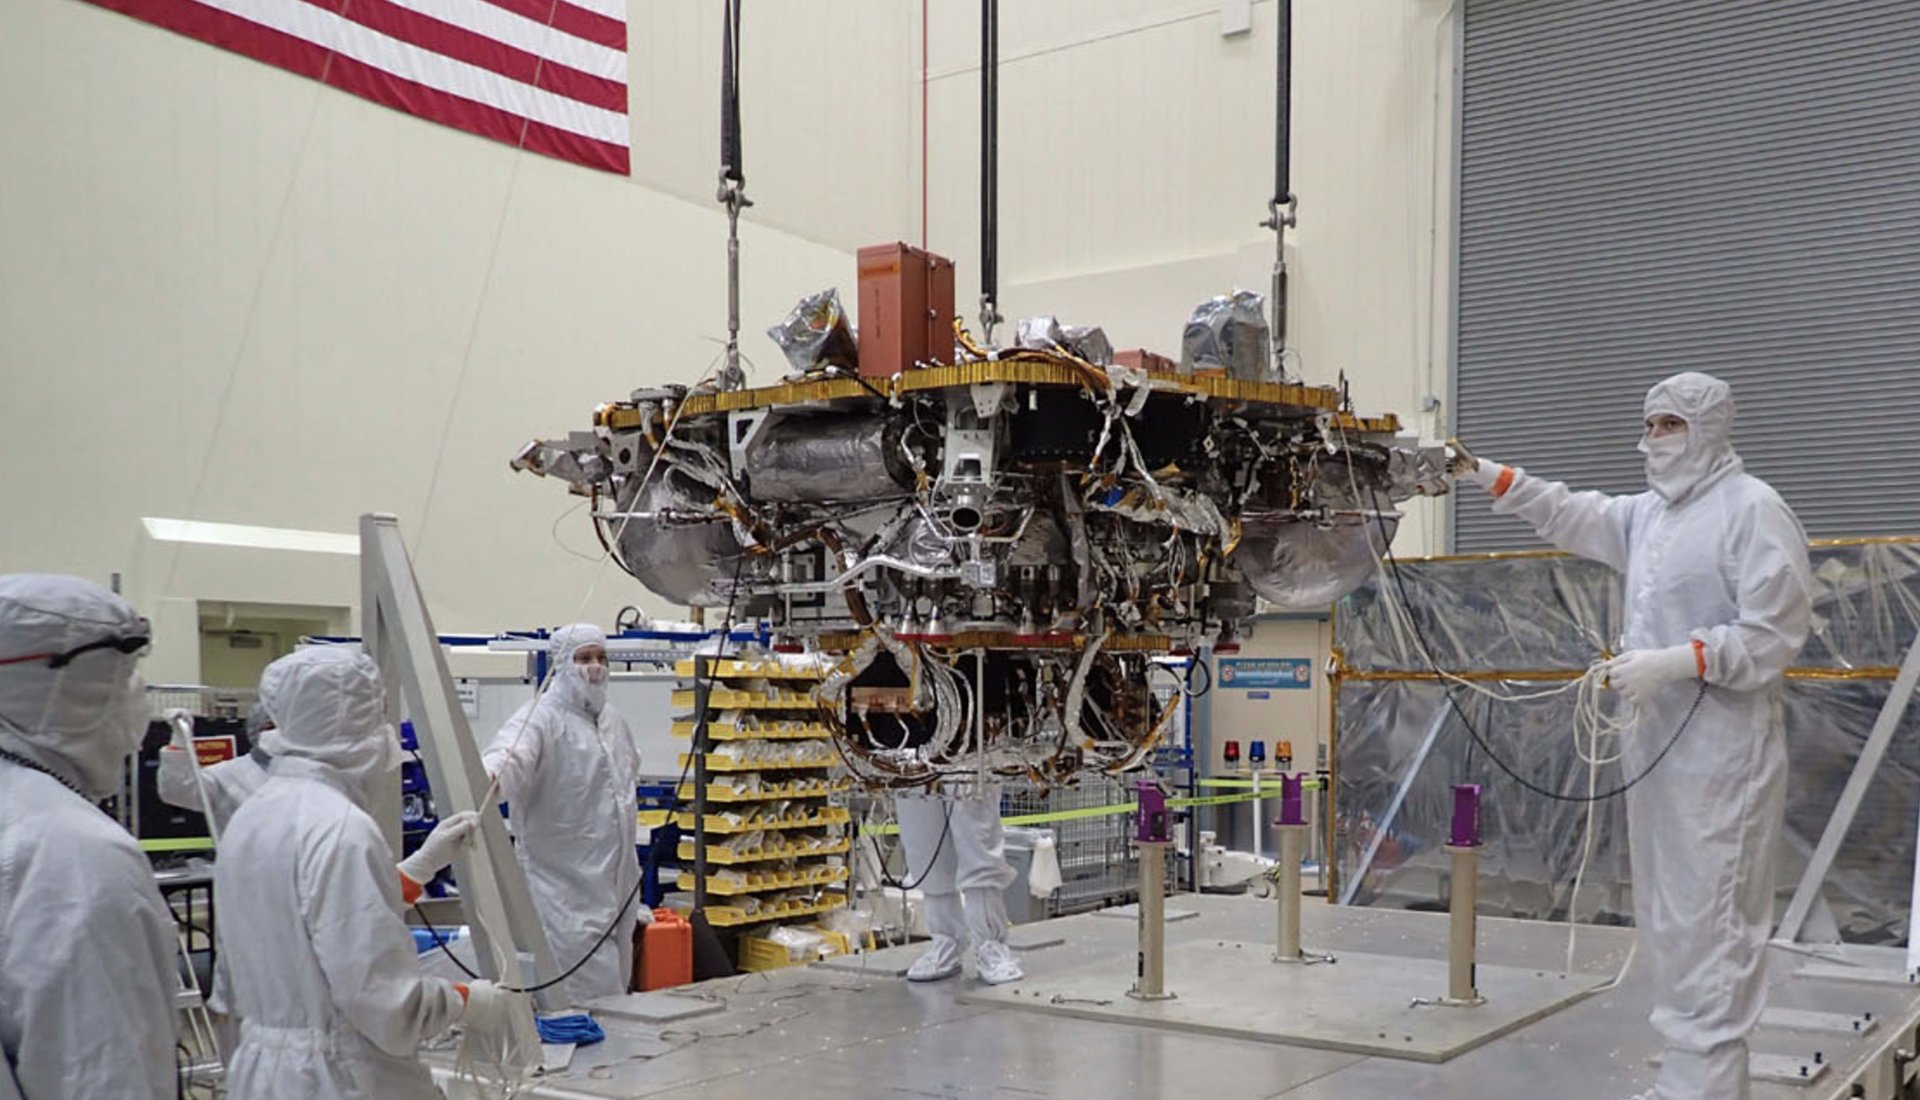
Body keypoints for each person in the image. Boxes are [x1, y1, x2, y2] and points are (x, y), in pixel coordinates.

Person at [1453, 371, 1811, 1100]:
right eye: (1649, 426)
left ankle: (1706, 1087)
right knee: (1670, 918)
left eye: (1671, 425)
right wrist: (1478, 471)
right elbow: (1569, 512)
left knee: (1714, 921)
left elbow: (1775, 634)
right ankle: (1685, 1078)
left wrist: (1676, 661)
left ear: (1709, 428)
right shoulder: (1650, 515)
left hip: (1723, 755)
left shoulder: (1752, 510)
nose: (1654, 441)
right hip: (1657, 750)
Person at [216, 646, 505, 1100]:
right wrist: (469, 1002)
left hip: (262, 1073)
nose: (386, 733)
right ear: (348, 721)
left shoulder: (253, 815)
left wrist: (423, 864)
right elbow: (387, 1006)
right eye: (379, 714)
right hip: (341, 1077)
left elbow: (315, 927)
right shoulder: (343, 829)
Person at [0, 574, 179, 1100]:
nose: (138, 700)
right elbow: (102, 1074)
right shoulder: (70, 853)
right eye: (123, 674)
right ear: (69, 686)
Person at [484, 624, 645, 1005]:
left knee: (617, 991)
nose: (595, 667)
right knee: (581, 997)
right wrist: (487, 778)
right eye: (583, 658)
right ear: (561, 664)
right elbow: (510, 755)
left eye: (601, 658)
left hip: (617, 884)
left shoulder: (613, 721)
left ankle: (613, 1062)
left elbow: (626, 783)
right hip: (563, 890)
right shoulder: (542, 718)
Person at [896, 787, 1023, 984]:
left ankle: (990, 946)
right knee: (924, 844)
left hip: (966, 760)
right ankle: (946, 941)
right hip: (910, 761)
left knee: (978, 844)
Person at [156, 704, 272, 834]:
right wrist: (180, 742)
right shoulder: (228, 774)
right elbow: (177, 791)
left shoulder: (297, 774)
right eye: (271, 727)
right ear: (260, 730)